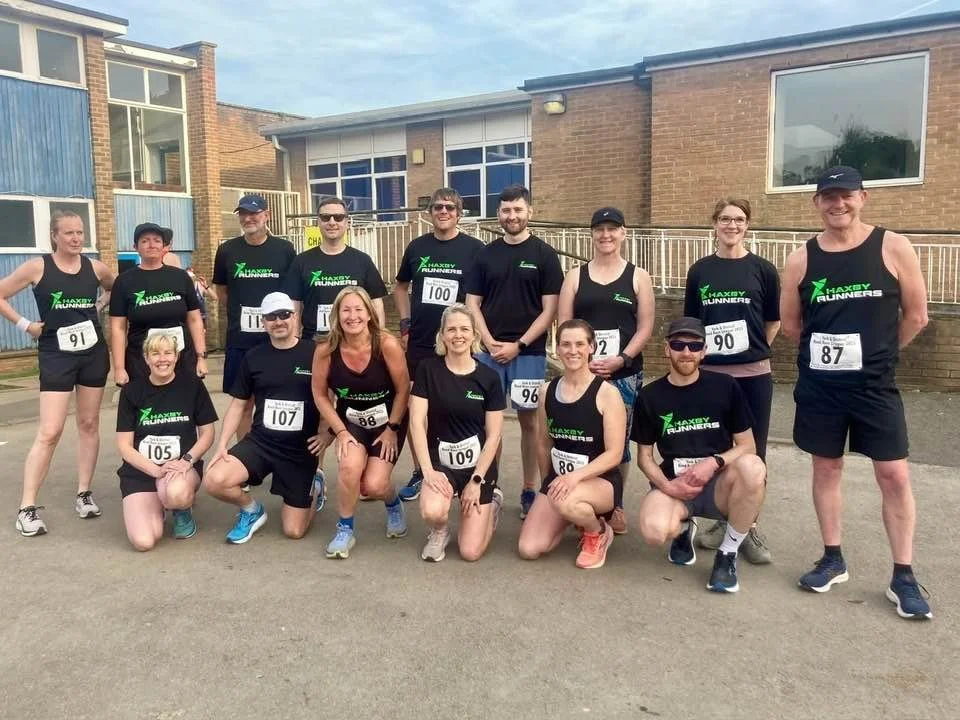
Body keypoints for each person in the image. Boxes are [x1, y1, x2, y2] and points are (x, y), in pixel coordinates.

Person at [781, 166, 932, 620]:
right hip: (822, 388)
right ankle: (832, 557)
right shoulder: (801, 258)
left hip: (875, 388)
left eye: (845, 195)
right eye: (828, 197)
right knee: (826, 469)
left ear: (863, 198)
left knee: (895, 476)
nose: (837, 204)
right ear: (817, 204)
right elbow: (791, 326)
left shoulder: (893, 247)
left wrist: (880, 355)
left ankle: (903, 574)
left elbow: (917, 316)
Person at [633, 317, 767, 593]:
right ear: (666, 349)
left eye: (694, 346)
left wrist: (714, 461)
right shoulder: (650, 396)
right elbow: (644, 457)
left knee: (753, 468)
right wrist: (669, 486)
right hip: (676, 484)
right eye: (678, 345)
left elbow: (747, 445)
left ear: (704, 351)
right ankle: (683, 528)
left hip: (718, 484)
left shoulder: (725, 386)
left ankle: (727, 554)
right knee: (653, 530)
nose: (686, 352)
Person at [0, 211, 114, 535]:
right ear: (55, 236)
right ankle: (27, 507)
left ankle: (84, 493)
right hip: (56, 354)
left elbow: (115, 287)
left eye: (80, 232)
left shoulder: (95, 267)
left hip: (92, 353)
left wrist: (99, 307)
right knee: (50, 431)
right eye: (69, 233)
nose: (76, 238)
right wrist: (26, 326)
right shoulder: (38, 267)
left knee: (89, 424)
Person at [684, 198, 780, 564]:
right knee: (715, 449)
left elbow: (772, 320)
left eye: (739, 219)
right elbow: (692, 323)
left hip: (754, 375)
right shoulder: (700, 271)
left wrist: (753, 350)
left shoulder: (763, 270)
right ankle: (722, 520)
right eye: (725, 218)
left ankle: (748, 526)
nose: (732, 225)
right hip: (711, 376)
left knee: (754, 452)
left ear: (747, 225)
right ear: (715, 224)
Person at [282, 195, 388, 510]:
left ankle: (364, 465)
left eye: (338, 218)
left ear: (347, 223)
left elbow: (377, 303)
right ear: (318, 221)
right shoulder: (303, 261)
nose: (332, 222)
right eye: (326, 217)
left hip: (359, 346)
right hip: (318, 343)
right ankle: (316, 472)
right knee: (318, 407)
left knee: (358, 404)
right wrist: (296, 339)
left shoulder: (361, 260)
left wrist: (378, 340)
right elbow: (295, 306)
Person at [466, 184, 563, 519]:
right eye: (506, 210)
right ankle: (489, 486)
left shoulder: (545, 256)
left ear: (529, 212)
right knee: (488, 425)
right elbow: (472, 304)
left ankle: (528, 489)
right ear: (499, 214)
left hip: (528, 354)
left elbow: (549, 309)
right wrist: (489, 341)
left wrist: (518, 344)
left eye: (518, 210)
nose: (512, 216)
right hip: (487, 354)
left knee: (530, 424)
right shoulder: (485, 255)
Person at [558, 207, 654, 534]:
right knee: (583, 438)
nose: (606, 235)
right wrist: (579, 363)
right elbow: (565, 324)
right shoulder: (575, 276)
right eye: (599, 229)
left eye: (613, 229)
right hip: (579, 374)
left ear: (624, 233)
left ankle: (615, 505)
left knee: (618, 444)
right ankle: (580, 496)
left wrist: (622, 359)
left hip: (623, 375)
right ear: (592, 234)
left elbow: (645, 327)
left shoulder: (638, 276)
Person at [203, 292, 323, 543]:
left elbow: (330, 398)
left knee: (294, 531)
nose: (278, 321)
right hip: (262, 443)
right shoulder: (254, 356)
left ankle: (315, 485)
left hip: (299, 451)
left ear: (295, 317)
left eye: (283, 315)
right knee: (215, 480)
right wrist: (223, 445)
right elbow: (238, 406)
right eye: (271, 317)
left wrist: (327, 433)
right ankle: (251, 510)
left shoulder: (316, 353)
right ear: (263, 323)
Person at [395, 188, 484, 502]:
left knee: (463, 407)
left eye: (449, 207)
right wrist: (404, 323)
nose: (442, 212)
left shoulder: (475, 249)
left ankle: (477, 475)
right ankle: (422, 470)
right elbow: (400, 287)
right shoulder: (417, 246)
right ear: (429, 212)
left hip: (459, 344)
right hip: (420, 342)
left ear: (459, 213)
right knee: (417, 409)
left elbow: (484, 295)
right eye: (436, 207)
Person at [517, 320, 625, 569]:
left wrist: (573, 479)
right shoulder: (547, 391)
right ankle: (572, 515)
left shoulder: (607, 394)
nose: (572, 350)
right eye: (565, 344)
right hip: (561, 483)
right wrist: (548, 483)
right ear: (557, 349)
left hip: (601, 482)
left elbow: (614, 454)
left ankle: (596, 531)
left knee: (566, 501)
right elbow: (543, 443)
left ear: (591, 348)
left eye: (579, 344)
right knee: (528, 549)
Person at [312, 287, 410, 558]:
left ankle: (392, 501)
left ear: (369, 314)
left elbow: (403, 389)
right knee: (348, 468)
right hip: (351, 422)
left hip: (388, 421)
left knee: (374, 486)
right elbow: (319, 394)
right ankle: (345, 528)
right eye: (346, 310)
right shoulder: (325, 349)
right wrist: (340, 432)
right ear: (337, 315)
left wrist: (392, 428)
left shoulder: (386, 344)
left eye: (358, 309)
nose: (352, 316)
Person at [408, 304, 505, 562]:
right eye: (451, 329)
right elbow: (417, 422)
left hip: (477, 468)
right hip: (441, 464)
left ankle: (491, 504)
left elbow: (494, 435)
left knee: (470, 552)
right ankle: (439, 532)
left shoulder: (489, 377)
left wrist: (476, 480)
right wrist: (427, 471)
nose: (458, 335)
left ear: (474, 335)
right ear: (442, 335)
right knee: (432, 510)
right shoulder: (428, 369)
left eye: (464, 329)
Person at [116, 332, 217, 550]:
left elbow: (208, 433)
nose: (162, 359)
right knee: (144, 542)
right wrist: (154, 470)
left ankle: (181, 510)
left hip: (181, 468)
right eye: (155, 353)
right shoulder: (132, 392)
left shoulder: (192, 385)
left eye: (168, 353)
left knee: (176, 494)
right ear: (146, 358)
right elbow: (124, 445)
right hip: (142, 471)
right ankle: (157, 506)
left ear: (176, 356)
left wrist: (187, 460)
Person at [213, 194, 296, 441]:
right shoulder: (227, 250)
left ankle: (280, 454)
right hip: (241, 339)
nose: (249, 218)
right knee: (244, 402)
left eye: (254, 213)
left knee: (281, 400)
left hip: (278, 337)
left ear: (266, 215)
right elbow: (222, 291)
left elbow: (292, 293)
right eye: (244, 214)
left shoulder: (284, 249)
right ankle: (246, 459)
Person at [110, 223, 207, 384]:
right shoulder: (124, 281)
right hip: (141, 360)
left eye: (156, 240)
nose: (151, 244)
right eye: (145, 241)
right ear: (136, 247)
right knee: (146, 406)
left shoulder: (180, 277)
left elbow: (195, 319)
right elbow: (118, 328)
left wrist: (201, 357)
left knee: (185, 405)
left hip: (181, 357)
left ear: (164, 246)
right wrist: (119, 368)